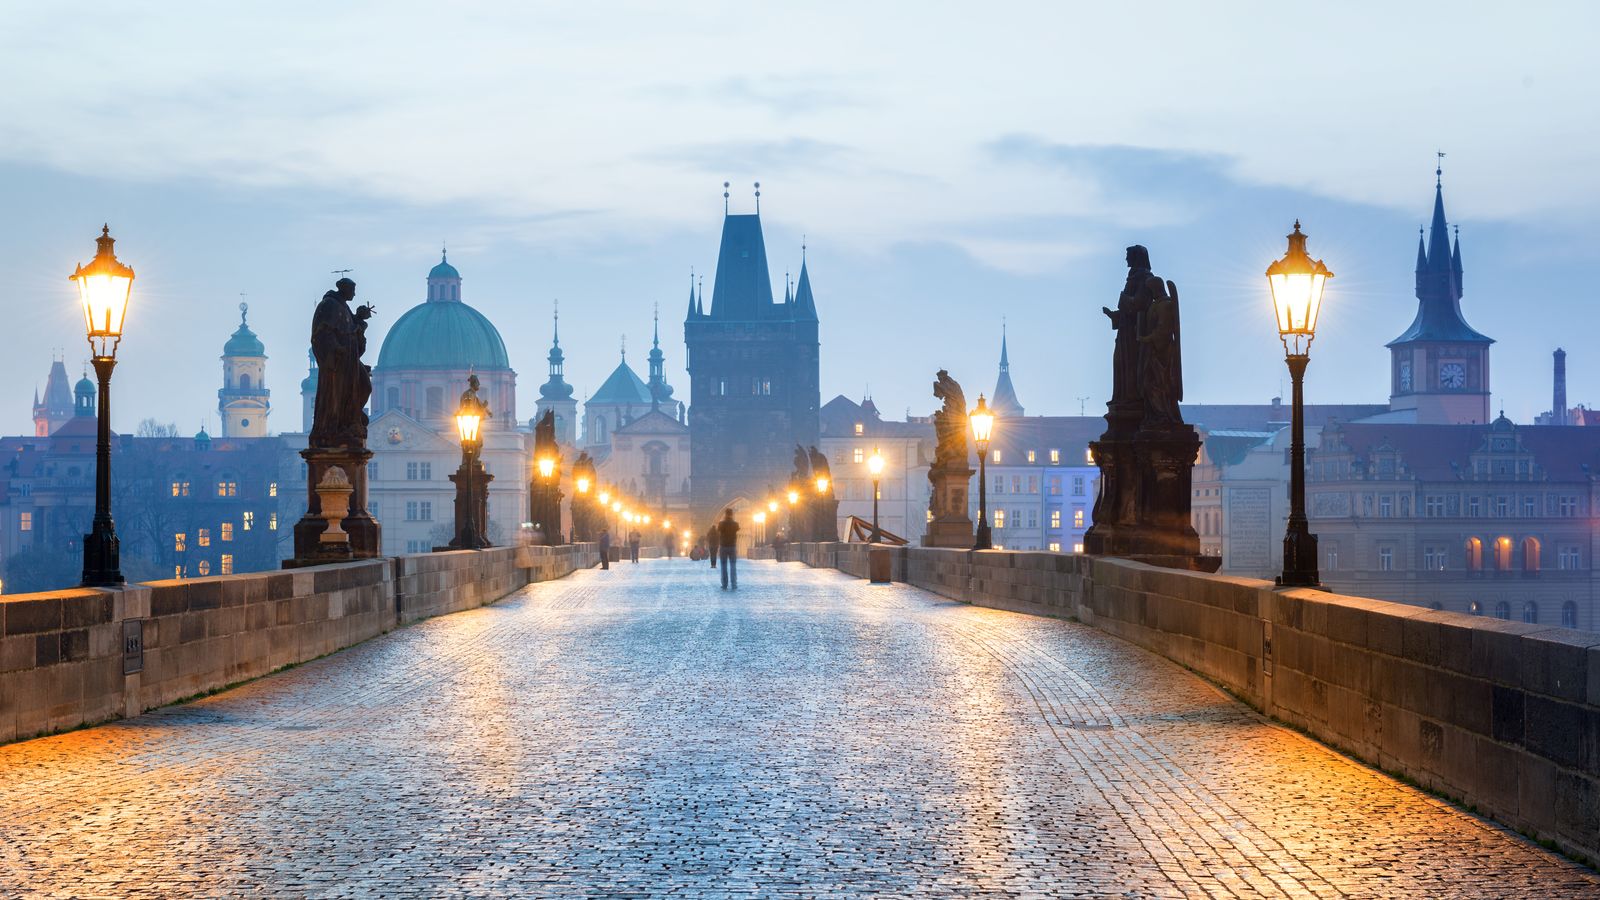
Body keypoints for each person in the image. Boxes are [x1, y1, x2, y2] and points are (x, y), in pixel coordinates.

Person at [717, 508, 740, 590]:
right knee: (733, 566)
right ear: (732, 514)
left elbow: (719, 530)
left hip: (723, 547)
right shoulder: (735, 524)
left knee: (723, 566)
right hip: (732, 547)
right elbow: (737, 528)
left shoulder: (721, 524)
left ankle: (724, 584)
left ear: (725, 514)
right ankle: (734, 584)